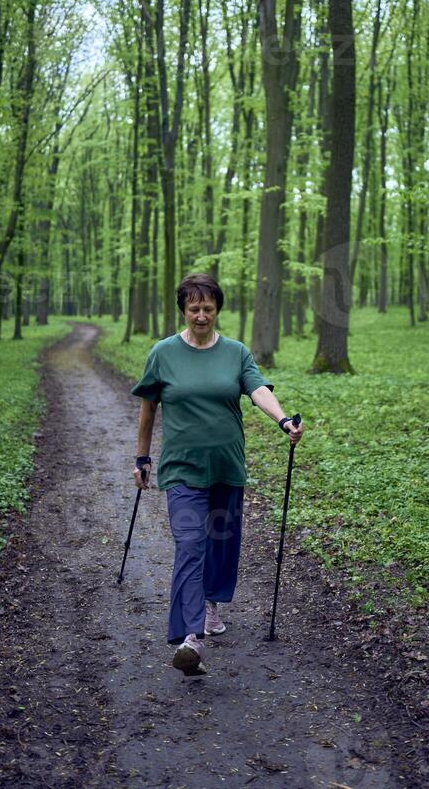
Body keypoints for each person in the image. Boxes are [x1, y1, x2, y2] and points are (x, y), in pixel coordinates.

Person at [130, 273, 304, 677]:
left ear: (218, 310)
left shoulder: (236, 352)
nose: (202, 315)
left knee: (221, 543)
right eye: (194, 309)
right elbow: (148, 408)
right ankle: (190, 637)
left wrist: (282, 421)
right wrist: (141, 457)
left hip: (227, 466)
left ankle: (210, 601)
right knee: (190, 544)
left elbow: (258, 388)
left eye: (208, 308)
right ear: (183, 311)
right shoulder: (163, 353)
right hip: (182, 469)